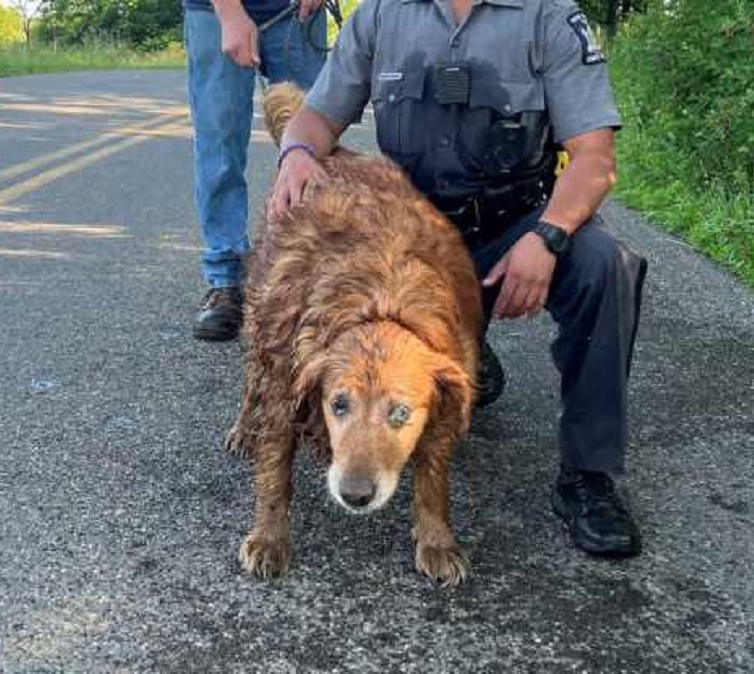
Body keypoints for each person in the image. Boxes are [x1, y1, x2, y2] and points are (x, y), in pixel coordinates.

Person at [267, 0, 648, 557]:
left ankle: (586, 478)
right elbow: (319, 115)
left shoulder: (549, 17)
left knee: (603, 266)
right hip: (409, 235)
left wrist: (548, 236)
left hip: (511, 227)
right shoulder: (379, 14)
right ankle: (460, 355)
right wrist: (298, 152)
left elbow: (594, 158)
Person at [183, 0, 328, 340]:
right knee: (219, 143)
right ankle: (226, 281)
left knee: (314, 139)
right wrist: (230, 13)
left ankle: (312, 281)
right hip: (214, 12)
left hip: (298, 10)